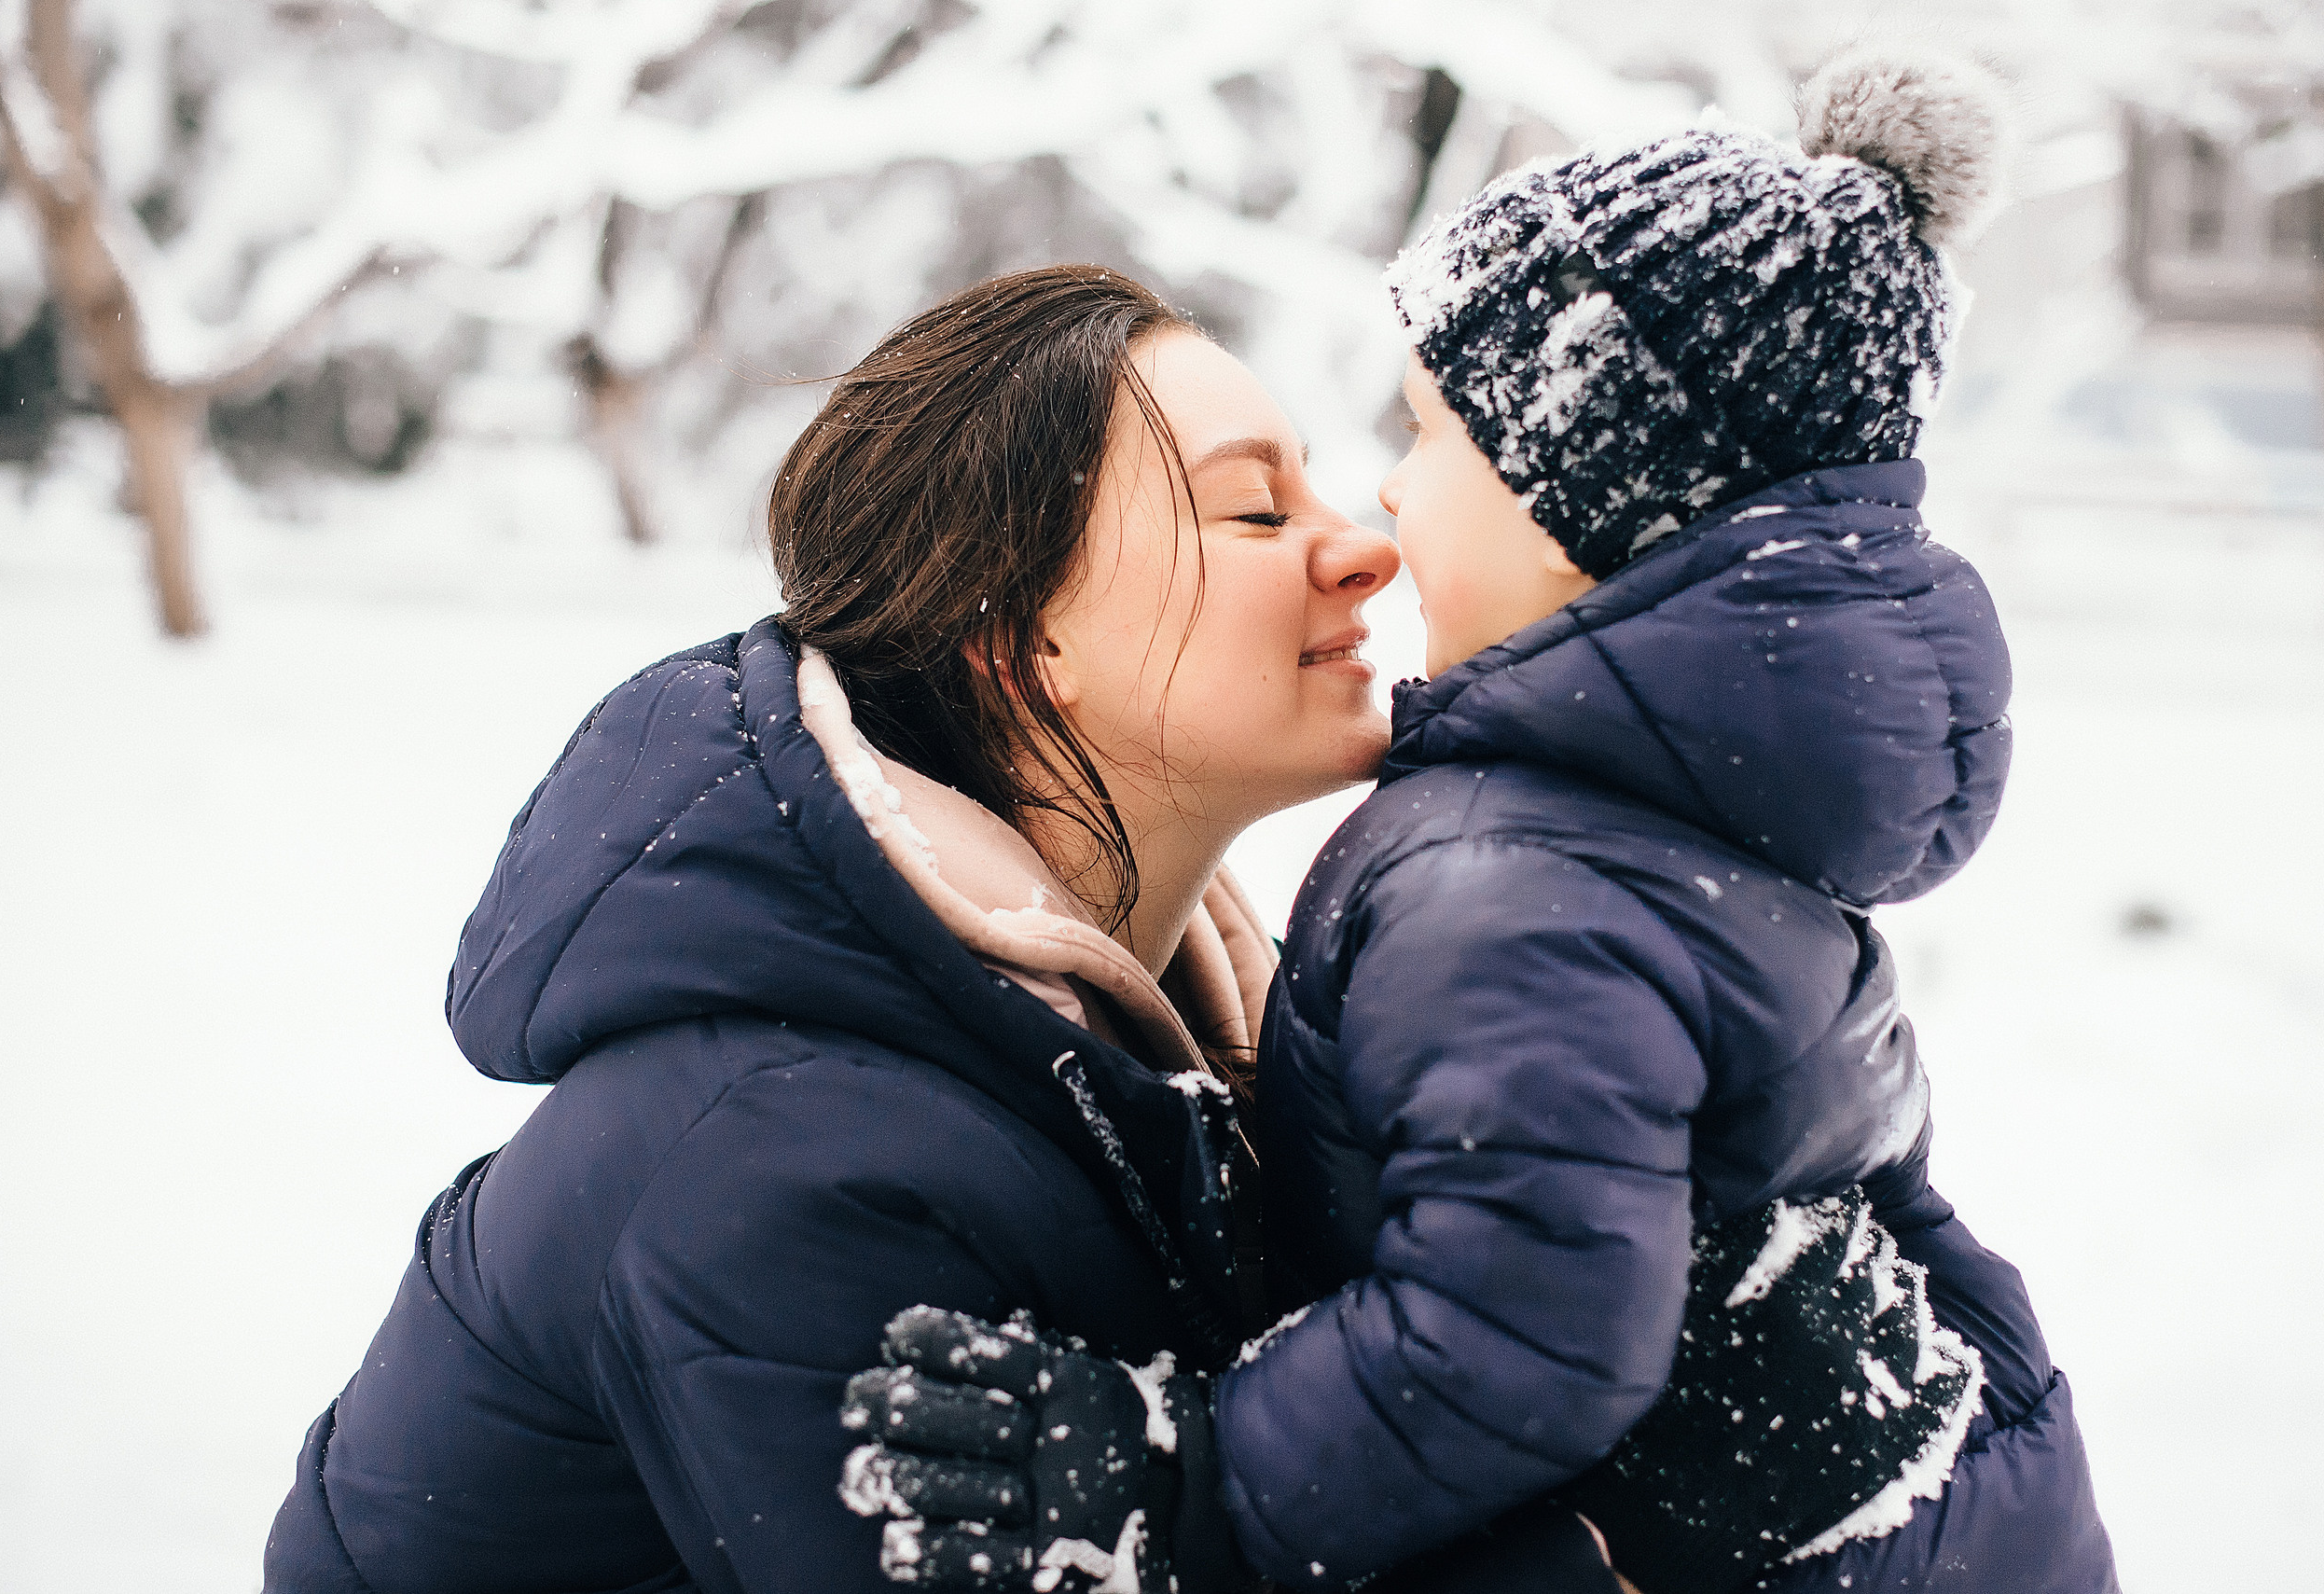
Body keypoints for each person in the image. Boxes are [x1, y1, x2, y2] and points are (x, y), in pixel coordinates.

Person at [835, 49, 2118, 1594]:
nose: (1383, 503)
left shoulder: (1516, 883)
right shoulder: (1694, 840)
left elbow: (1517, 1329)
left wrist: (1187, 1477)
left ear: (1594, 487)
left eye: (1431, 434)